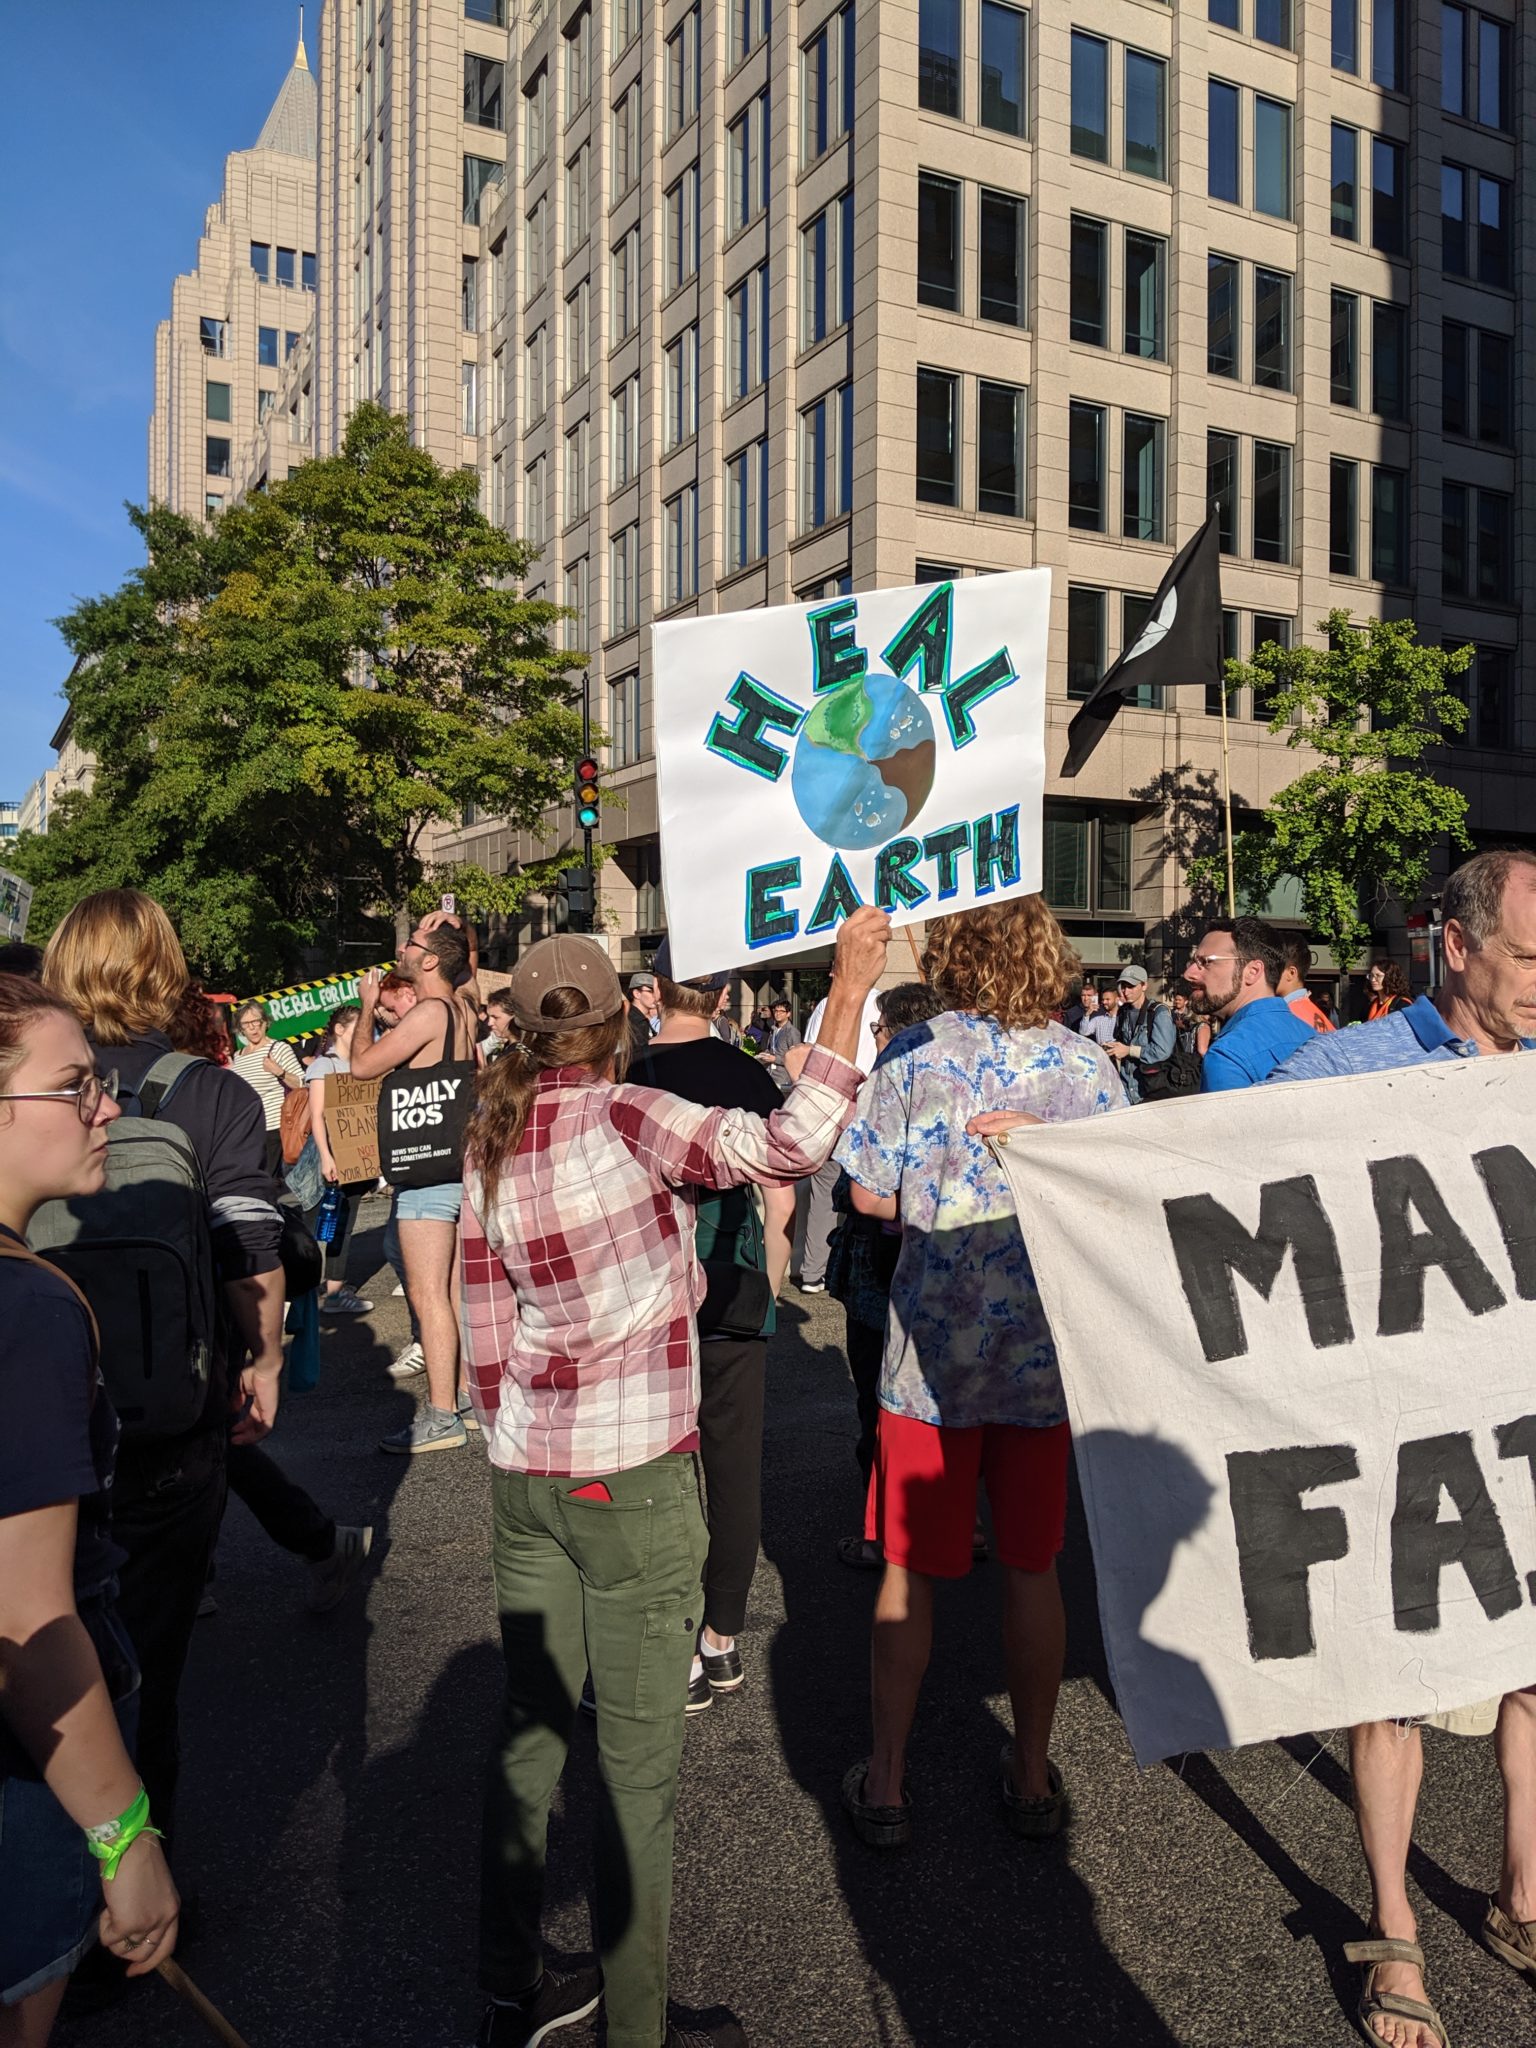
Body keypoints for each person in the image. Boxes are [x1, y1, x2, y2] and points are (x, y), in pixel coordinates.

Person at [461, 908, 892, 2048]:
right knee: (636, 1767)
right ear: (618, 1022)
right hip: (633, 1471)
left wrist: (517, 1424)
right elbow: (789, 1144)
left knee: (528, 1733)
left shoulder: (490, 1134)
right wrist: (847, 989)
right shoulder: (629, 1110)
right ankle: (636, 2026)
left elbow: (483, 1320)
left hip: (527, 1471)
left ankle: (510, 1990)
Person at [1265, 849, 1536, 2048]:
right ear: (1460, 946)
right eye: (1529, 956)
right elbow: (1217, 1195)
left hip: (1522, 1418)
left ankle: (1525, 1893)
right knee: (1398, 1680)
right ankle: (1394, 1931)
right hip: (1394, 1425)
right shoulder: (1340, 1066)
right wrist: (1058, 1159)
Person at [834, 896, 1122, 1852]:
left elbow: (870, 1191)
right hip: (1046, 1358)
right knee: (1035, 1564)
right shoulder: (1089, 1066)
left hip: (931, 1358)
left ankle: (886, 1779)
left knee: (910, 1570)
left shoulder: (914, 1056)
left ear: (952, 950)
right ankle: (1032, 1772)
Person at [42, 892, 285, 1853]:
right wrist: (261, 1358)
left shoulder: (27, 1081)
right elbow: (249, 1246)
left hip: (43, 1414)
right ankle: (141, 1872)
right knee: (149, 1658)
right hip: (170, 1419)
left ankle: (52, 1872)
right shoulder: (212, 1091)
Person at [0, 975, 181, 2040]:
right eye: (76, 1086)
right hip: (24, 1783)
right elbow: (29, 1621)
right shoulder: (26, 1306)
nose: (108, 1107)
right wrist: (125, 1837)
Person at [162, 991, 372, 1615]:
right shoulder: (211, 1090)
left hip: (202, 1291)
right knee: (213, 1434)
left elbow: (250, 1219)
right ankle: (314, 1544)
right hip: (200, 1290)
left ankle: (296, 1547)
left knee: (210, 1433)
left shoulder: (213, 1091)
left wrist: (265, 1352)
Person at [630, 945, 797, 1709]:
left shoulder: (626, 1078)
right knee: (734, 1465)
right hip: (733, 1279)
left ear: (653, 991)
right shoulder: (749, 1075)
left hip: (647, 1293)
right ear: (725, 994)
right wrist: (776, 1266)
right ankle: (722, 1635)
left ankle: (675, 1640)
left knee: (660, 1472)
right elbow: (782, 1194)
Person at [824, 981, 946, 1571]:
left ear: (897, 1030)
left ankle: (882, 1534)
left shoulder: (886, 1086)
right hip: (941, 1261)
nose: (874, 1036)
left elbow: (859, 1192)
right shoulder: (955, 1081)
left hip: (881, 1262)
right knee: (935, 1395)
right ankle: (960, 1519)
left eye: (879, 1028)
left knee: (878, 1397)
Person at [353, 915, 479, 1452]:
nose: (402, 949)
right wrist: (452, 930)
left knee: (428, 1297)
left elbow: (361, 1067)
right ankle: (465, 1397)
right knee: (452, 1294)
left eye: (412, 943)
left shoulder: (429, 1010)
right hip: (457, 1164)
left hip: (424, 1171)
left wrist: (364, 1008)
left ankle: (442, 1415)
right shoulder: (464, 1010)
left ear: (429, 960)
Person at [792, 984, 882, 1295]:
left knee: (825, 1191)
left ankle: (813, 1271)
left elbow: (807, 1054)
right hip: (871, 1107)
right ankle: (854, 1268)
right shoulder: (884, 1004)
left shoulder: (827, 1004)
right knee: (867, 1189)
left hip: (830, 1106)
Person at [1181, 918, 1314, 1091]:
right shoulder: (1314, 1036)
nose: (1188, 973)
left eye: (1206, 962)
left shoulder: (1227, 1056)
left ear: (1253, 972)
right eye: (1193, 962)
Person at [304, 1004, 373, 1316]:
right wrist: (325, 1156)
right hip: (334, 1156)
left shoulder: (363, 1063)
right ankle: (296, 1288)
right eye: (358, 1025)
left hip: (358, 1158)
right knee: (315, 1224)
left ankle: (333, 1293)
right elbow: (316, 1117)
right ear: (341, 1030)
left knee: (343, 1224)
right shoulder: (323, 1067)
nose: (365, 1030)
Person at [229, 1001, 303, 1176]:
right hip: (248, 1129)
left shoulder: (278, 1049)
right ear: (240, 1029)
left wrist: (280, 1072)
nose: (253, 1028)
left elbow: (303, 1082)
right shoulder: (238, 1056)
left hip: (274, 1127)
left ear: (265, 1022)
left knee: (268, 1178)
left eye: (257, 1022)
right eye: (247, 1024)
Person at [1106, 964, 1175, 1103]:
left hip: (1152, 1092)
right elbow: (1122, 1043)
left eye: (1131, 986)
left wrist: (1129, 1050)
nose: (1126, 991)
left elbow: (1162, 1051)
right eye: (1123, 986)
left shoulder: (1159, 1012)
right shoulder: (1123, 1012)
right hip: (1126, 1089)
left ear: (1144, 986)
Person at [1277, 939, 1335, 1033]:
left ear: (1291, 973)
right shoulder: (1311, 1010)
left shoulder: (1288, 1015)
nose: (1266, 974)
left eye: (1272, 968)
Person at [757, 998, 801, 1092]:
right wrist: (765, 1054)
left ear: (788, 1014)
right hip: (770, 1075)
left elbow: (796, 1059)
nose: (778, 1013)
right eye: (776, 1011)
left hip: (784, 1080)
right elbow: (774, 1050)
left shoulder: (792, 1032)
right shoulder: (774, 1030)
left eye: (781, 1011)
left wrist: (775, 1059)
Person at [625, 971, 661, 1062]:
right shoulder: (634, 1020)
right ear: (637, 994)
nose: (656, 996)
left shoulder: (639, 1018)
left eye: (656, 991)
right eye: (650, 991)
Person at [1364, 957, 1410, 1022]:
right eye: (1371, 975)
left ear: (1390, 977)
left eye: (1378, 976)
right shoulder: (1371, 1004)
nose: (1373, 980)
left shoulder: (1402, 1005)